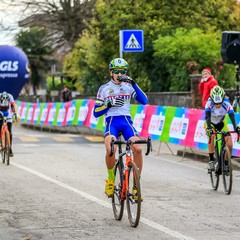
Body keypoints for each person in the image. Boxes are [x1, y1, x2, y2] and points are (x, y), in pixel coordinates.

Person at [93, 57, 148, 198]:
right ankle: (111, 179)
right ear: (111, 73)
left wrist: (134, 83)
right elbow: (96, 112)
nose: (119, 74)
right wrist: (108, 105)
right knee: (112, 148)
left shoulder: (129, 86)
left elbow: (144, 101)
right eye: (116, 72)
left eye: (122, 71)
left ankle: (136, 185)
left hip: (126, 122)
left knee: (139, 149)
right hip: (112, 122)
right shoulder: (104, 89)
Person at [205, 86, 240, 171]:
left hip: (221, 123)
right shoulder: (209, 103)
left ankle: (226, 163)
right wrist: (209, 129)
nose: (218, 105)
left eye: (219, 103)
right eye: (216, 103)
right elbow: (208, 118)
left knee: (230, 144)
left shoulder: (226, 103)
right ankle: (211, 160)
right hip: (210, 123)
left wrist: (236, 128)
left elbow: (232, 116)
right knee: (212, 135)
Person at [0, 91, 18, 157]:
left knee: (9, 130)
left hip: (7, 112)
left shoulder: (10, 96)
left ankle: (10, 148)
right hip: (0, 111)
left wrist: (15, 114)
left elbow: (13, 106)